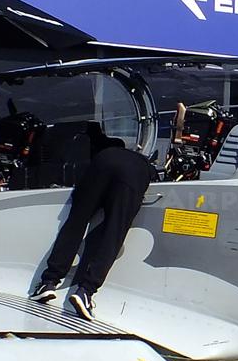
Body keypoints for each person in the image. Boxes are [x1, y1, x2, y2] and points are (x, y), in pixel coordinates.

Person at [29, 134, 156, 320]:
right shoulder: (146, 168)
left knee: (76, 221)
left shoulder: (113, 150)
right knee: (114, 233)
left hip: (104, 160)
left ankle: (49, 282)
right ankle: (85, 292)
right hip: (133, 174)